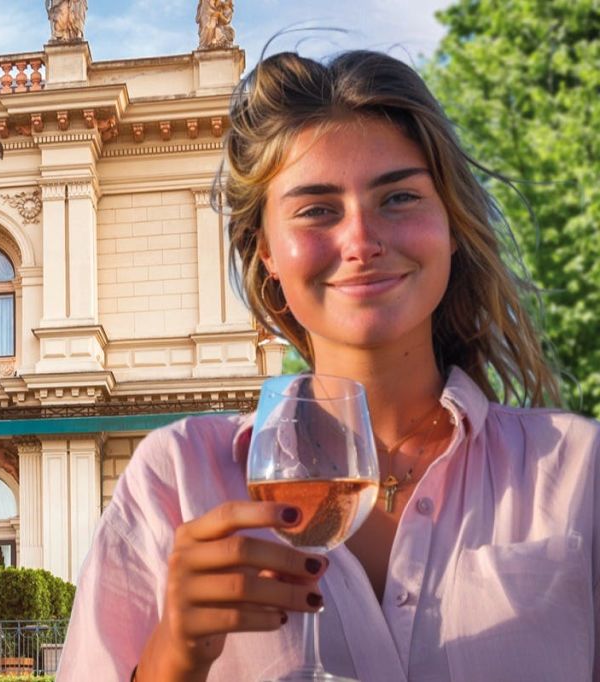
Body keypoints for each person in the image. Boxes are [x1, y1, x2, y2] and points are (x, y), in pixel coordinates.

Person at [58, 49, 600, 681]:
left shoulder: (578, 475)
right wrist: (175, 653)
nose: (362, 240)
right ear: (266, 250)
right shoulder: (175, 481)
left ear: (450, 224)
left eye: (398, 197)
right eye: (317, 209)